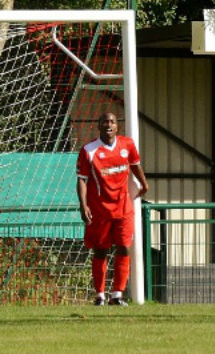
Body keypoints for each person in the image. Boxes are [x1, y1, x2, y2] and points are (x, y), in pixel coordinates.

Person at [77, 112, 149, 307]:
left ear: (118, 126)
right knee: (100, 250)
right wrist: (83, 206)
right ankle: (99, 295)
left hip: (123, 207)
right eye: (105, 122)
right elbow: (82, 180)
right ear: (98, 125)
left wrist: (144, 184)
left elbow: (135, 165)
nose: (108, 125)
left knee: (124, 246)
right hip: (99, 210)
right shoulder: (88, 150)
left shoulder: (127, 145)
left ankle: (117, 294)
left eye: (112, 122)